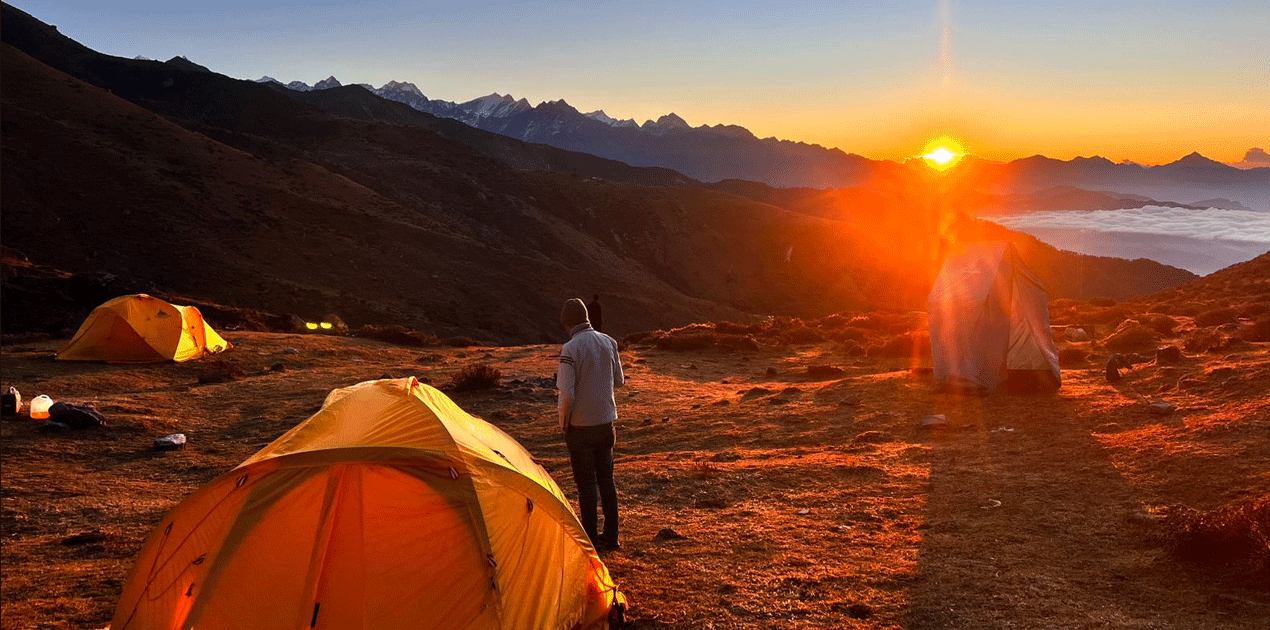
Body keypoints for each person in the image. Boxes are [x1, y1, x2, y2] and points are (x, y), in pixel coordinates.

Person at [557, 298, 624, 551]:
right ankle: (612, 536)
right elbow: (620, 381)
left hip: (581, 428)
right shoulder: (609, 342)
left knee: (586, 485)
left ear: (568, 323)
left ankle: (590, 541)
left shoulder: (570, 349)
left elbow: (567, 393)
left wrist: (564, 421)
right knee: (607, 480)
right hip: (606, 423)